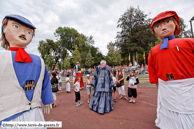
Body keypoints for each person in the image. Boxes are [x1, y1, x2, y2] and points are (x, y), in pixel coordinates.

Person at [0, 14, 53, 126]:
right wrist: (47, 100)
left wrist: (47, 100)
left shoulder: (39, 61)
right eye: (16, 27)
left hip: (33, 112)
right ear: (4, 29)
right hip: (9, 115)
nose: (23, 33)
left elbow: (45, 81)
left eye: (29, 32)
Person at [148, 11, 194, 129]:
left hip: (188, 85)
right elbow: (152, 67)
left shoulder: (189, 42)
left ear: (175, 24)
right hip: (166, 86)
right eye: (158, 26)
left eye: (167, 22)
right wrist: (155, 80)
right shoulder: (154, 51)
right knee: (168, 111)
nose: (163, 27)